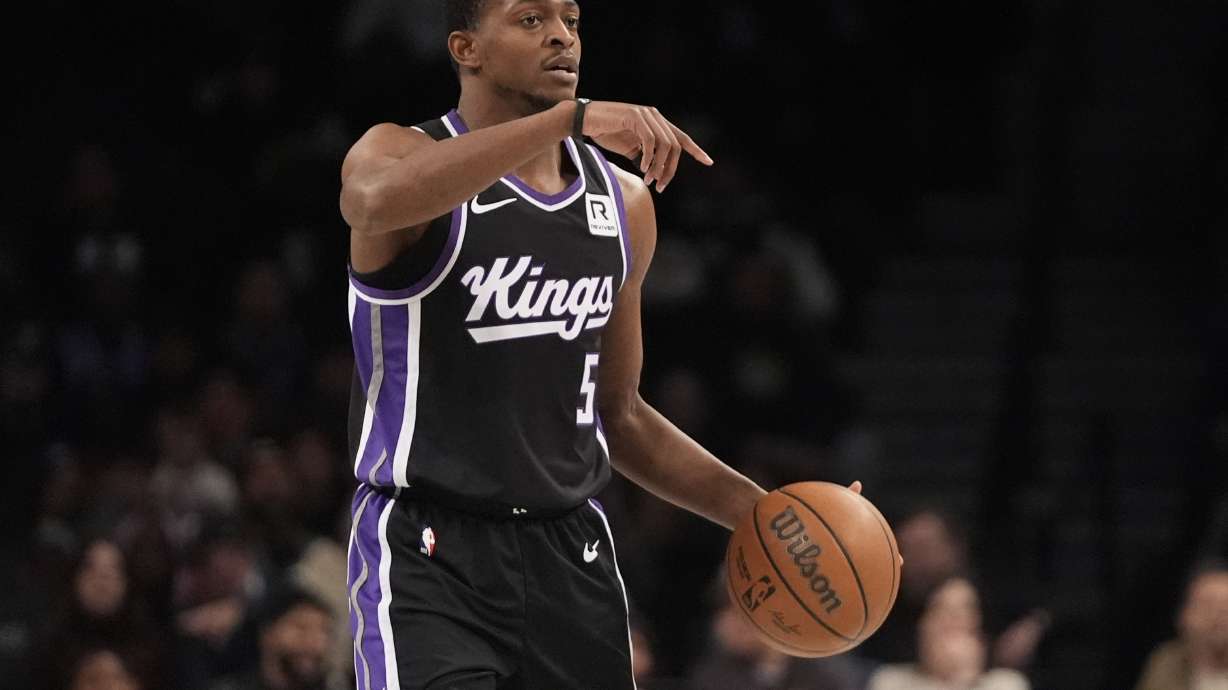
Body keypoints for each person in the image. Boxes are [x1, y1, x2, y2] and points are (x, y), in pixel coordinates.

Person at [337, 1, 869, 688]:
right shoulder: (398, 153)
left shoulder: (622, 203)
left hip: (570, 553)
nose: (561, 35)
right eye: (530, 19)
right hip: (428, 553)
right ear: (466, 48)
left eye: (571, 19)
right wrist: (566, 119)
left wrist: (762, 514)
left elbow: (619, 415)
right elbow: (369, 205)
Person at [867, 576, 1030, 690]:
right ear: (922, 627)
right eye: (940, 609)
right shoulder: (890, 682)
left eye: (965, 610)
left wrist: (963, 679)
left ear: (981, 634)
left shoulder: (1006, 684)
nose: (952, 619)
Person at [1134, 561, 1228, 690]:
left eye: (1225, 608)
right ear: (1184, 616)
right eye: (1207, 606)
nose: (1218, 618)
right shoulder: (1167, 664)